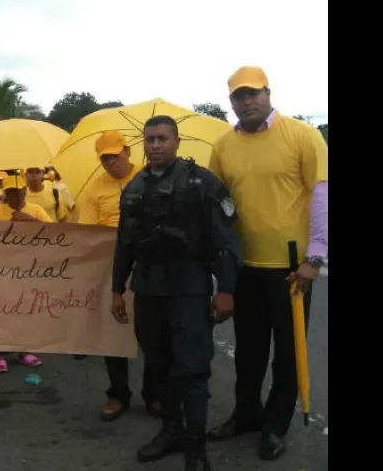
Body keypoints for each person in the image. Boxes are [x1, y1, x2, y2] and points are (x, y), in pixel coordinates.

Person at [206, 67, 328, 461]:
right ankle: (247, 414)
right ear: (231, 102)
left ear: (268, 93)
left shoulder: (302, 135)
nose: (247, 101)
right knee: (249, 351)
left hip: (291, 270)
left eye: (254, 93)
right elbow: (218, 204)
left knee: (289, 354)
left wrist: (315, 258)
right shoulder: (223, 145)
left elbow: (323, 197)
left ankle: (275, 427)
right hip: (245, 267)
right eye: (239, 96)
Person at [111, 115, 242, 471]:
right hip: (148, 288)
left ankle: (195, 448)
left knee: (193, 369)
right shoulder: (135, 186)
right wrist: (116, 289)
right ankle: (171, 430)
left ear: (176, 141)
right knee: (159, 364)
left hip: (189, 288)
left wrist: (226, 289)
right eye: (149, 139)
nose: (155, 145)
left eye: (162, 138)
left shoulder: (201, 182)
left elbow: (224, 241)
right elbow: (124, 243)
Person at [76, 130, 160, 421]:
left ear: (128, 151)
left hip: (150, 266)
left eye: (115, 155)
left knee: (152, 335)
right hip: (111, 266)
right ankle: (118, 394)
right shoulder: (93, 190)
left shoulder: (151, 178)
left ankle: (154, 394)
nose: (111, 162)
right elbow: (88, 233)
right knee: (113, 334)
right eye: (105, 158)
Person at [0, 174, 51, 372]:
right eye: (11, 192)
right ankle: (0, 353)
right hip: (1, 270)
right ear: (5, 193)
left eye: (19, 191)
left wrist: (29, 220)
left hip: (30, 269)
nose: (16, 196)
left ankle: (25, 350)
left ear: (25, 191)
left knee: (26, 309)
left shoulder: (36, 210)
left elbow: (55, 233)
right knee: (1, 311)